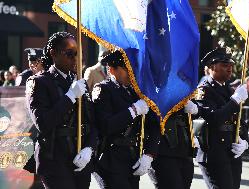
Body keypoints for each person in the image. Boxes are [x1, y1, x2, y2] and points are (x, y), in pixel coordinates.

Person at [25, 32, 98, 189]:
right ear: (53, 53)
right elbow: (43, 123)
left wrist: (89, 148)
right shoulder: (39, 83)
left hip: (80, 158)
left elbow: (93, 122)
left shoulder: (80, 82)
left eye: (78, 54)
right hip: (55, 161)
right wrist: (70, 96)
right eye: (70, 54)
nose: (75, 58)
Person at [92, 50, 160, 189]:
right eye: (127, 70)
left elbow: (154, 125)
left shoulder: (137, 92)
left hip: (133, 157)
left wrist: (149, 154)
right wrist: (133, 111)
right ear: (112, 70)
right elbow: (106, 126)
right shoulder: (103, 90)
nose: (131, 74)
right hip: (111, 159)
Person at [194, 47, 249, 189]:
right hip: (214, 154)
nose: (229, 69)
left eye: (231, 65)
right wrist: (235, 101)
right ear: (212, 67)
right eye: (225, 65)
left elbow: (240, 121)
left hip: (231, 152)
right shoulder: (204, 90)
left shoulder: (228, 90)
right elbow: (214, 118)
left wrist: (245, 142)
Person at [151, 101, 198, 189]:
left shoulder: (185, 89)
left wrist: (196, 110)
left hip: (184, 148)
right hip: (164, 148)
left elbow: (195, 114)